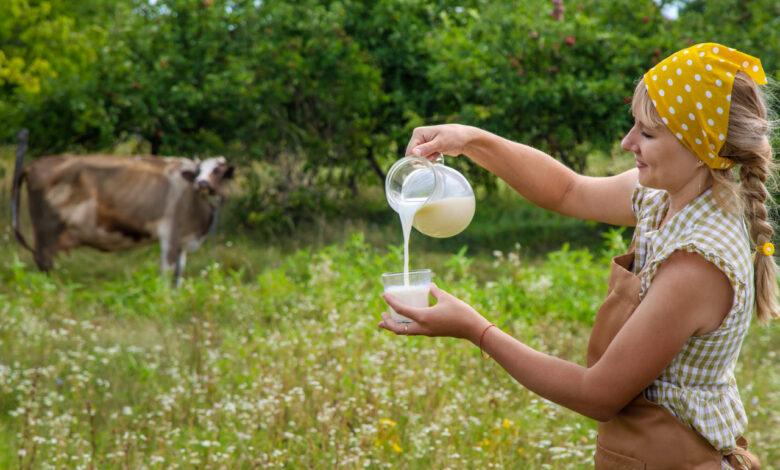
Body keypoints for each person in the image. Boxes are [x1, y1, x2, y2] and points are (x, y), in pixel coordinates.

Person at [379, 42, 777, 469]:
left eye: (647, 133)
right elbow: (568, 190)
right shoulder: (665, 197)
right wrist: (471, 140)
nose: (628, 143)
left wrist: (474, 329)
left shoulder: (698, 261)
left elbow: (597, 394)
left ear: (700, 145)